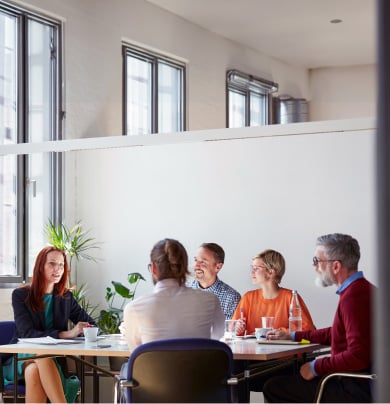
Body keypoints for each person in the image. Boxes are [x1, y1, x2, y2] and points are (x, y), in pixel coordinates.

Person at [263, 233, 375, 403]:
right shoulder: (360, 290)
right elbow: (337, 333)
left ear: (336, 266)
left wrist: (316, 367)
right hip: (355, 381)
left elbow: (358, 355)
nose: (314, 266)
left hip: (353, 388)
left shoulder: (354, 297)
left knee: (273, 387)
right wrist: (293, 336)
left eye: (317, 261)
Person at [4, 246, 95, 403]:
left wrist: (84, 329)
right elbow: (27, 333)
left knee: (34, 371)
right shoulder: (21, 295)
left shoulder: (66, 297)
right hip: (19, 358)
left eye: (61, 265)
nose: (58, 269)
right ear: (40, 266)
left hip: (50, 362)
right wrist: (66, 334)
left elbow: (92, 325)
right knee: (42, 356)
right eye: (52, 263)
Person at [122, 238, 225, 353]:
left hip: (155, 370)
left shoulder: (133, 309)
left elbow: (137, 356)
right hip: (199, 370)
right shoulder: (211, 300)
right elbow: (218, 340)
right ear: (185, 267)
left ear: (153, 268)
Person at [232, 249, 315, 335]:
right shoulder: (248, 297)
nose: (252, 272)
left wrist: (277, 332)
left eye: (256, 268)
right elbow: (232, 330)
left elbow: (307, 329)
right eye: (252, 268)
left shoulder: (291, 297)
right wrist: (237, 329)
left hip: (283, 348)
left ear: (271, 272)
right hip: (251, 348)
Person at [188, 242, 241, 319]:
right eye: (196, 260)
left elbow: (230, 329)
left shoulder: (231, 298)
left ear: (218, 267)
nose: (196, 266)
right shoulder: (182, 290)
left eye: (203, 262)